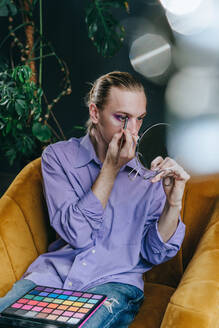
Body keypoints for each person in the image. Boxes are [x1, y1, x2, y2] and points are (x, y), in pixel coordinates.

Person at [0, 71, 190, 327]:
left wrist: (173, 203)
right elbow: (76, 235)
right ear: (94, 113)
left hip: (114, 283)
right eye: (122, 118)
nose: (133, 131)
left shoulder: (151, 171)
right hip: (52, 275)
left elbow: (153, 253)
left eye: (139, 119)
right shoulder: (58, 158)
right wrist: (110, 169)